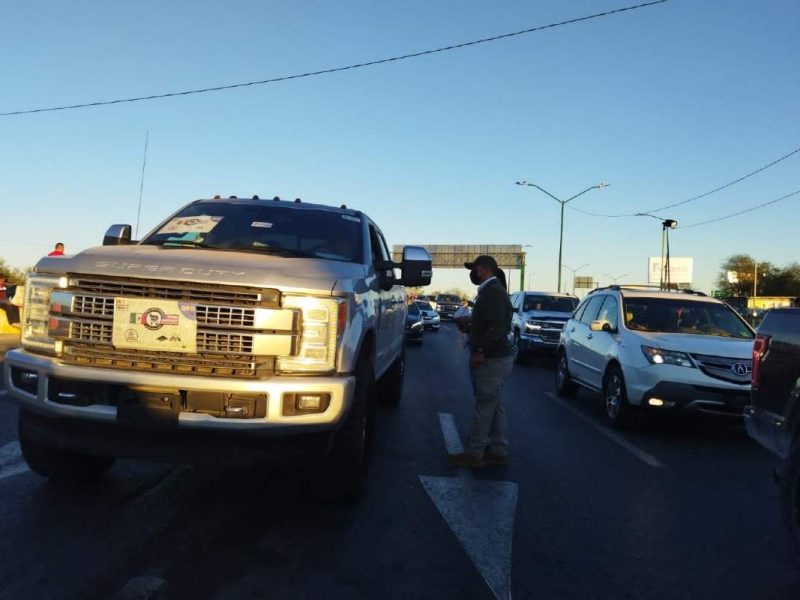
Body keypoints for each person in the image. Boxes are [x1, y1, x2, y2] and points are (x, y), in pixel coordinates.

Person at [449, 255, 514, 468]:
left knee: (484, 406)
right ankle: (498, 450)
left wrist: (479, 350)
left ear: (485, 269)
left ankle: (475, 453)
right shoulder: (491, 291)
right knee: (494, 405)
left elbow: (496, 328)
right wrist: (470, 326)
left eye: (475, 269)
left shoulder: (492, 292)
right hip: (497, 357)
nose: (472, 273)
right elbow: (488, 323)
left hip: (492, 359)